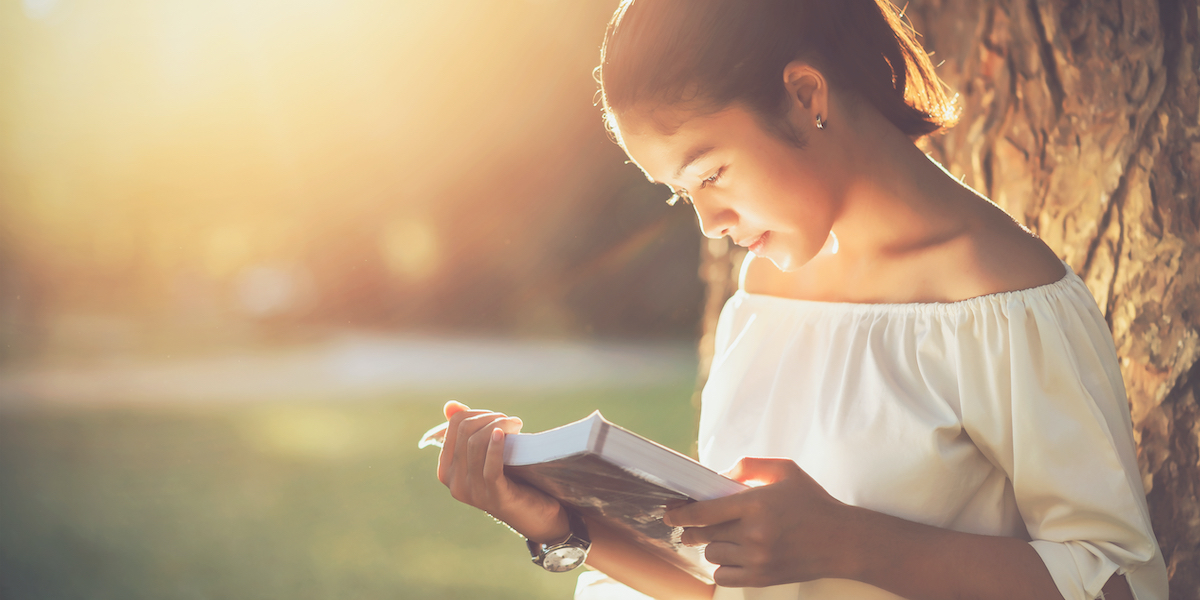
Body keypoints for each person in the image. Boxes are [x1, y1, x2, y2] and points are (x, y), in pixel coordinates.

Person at [435, 1, 1170, 598]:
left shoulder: (1003, 303)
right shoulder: (763, 295)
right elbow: (730, 587)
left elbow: (1121, 583)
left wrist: (852, 543)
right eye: (682, 194)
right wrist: (561, 526)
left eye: (710, 173)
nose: (709, 223)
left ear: (805, 96)